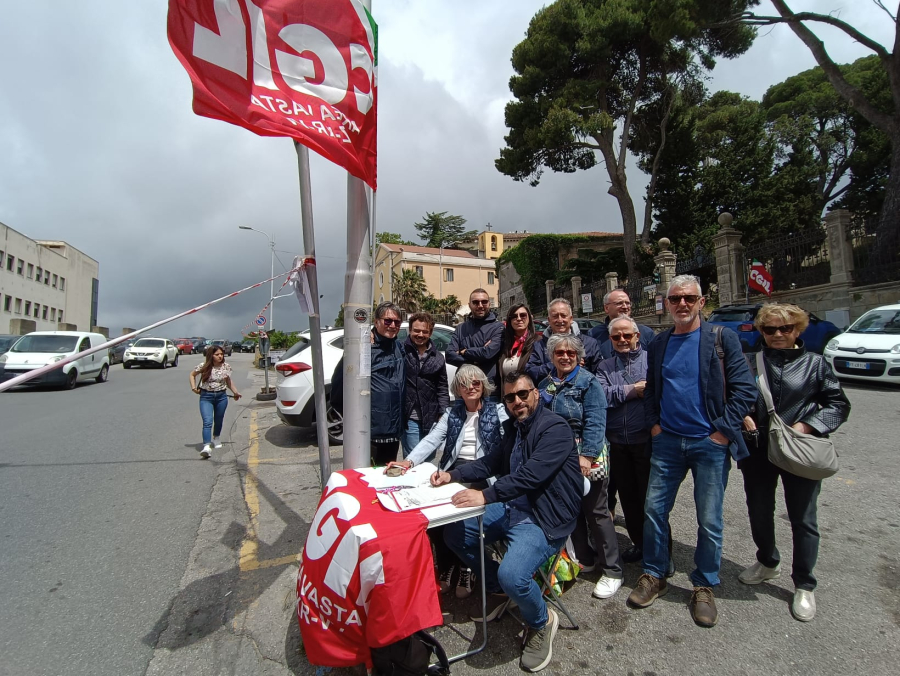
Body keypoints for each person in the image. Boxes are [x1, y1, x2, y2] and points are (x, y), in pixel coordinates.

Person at [628, 274, 756, 628]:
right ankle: (655, 574)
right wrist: (655, 425)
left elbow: (745, 390)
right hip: (667, 441)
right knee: (654, 510)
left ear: (701, 302)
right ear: (667, 304)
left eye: (689, 298)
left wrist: (722, 432)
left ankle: (703, 584)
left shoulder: (721, 338)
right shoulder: (660, 342)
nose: (681, 304)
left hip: (708, 444)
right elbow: (652, 390)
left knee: (709, 518)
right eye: (675, 298)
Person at [437, 371, 582, 673]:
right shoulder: (515, 428)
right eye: (510, 397)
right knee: (455, 533)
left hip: (543, 517)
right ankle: (499, 589)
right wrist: (454, 474)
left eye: (523, 394)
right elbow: (492, 462)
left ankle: (541, 620)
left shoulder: (555, 428)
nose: (517, 401)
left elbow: (531, 476)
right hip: (512, 506)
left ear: (536, 394)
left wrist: (484, 495)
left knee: (514, 575)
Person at [737, 303, 850, 622]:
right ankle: (767, 561)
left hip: (800, 448)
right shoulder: (750, 361)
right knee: (759, 510)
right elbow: (734, 394)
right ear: (761, 331)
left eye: (785, 328)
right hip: (758, 449)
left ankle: (804, 583)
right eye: (769, 329)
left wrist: (806, 426)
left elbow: (838, 405)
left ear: (797, 329)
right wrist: (743, 415)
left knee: (803, 518)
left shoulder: (815, 364)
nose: (777, 334)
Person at [387, 365, 508, 598]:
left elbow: (509, 441)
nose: (470, 387)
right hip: (454, 471)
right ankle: (447, 565)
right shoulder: (452, 413)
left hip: (484, 472)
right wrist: (408, 462)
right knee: (432, 514)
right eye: (464, 383)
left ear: (483, 385)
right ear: (457, 389)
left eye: (475, 382)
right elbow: (432, 439)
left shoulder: (498, 411)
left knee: (460, 514)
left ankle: (466, 567)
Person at [538, 333, 623, 599]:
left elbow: (596, 421)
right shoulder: (546, 384)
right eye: (559, 353)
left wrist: (587, 455)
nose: (565, 357)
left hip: (585, 454)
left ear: (578, 356)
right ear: (552, 356)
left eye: (570, 353)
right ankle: (585, 558)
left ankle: (612, 571)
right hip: (558, 457)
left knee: (596, 511)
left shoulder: (588, 382)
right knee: (570, 511)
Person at [596, 316, 670, 568]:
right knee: (628, 499)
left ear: (637, 336)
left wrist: (634, 393)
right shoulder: (605, 366)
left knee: (653, 502)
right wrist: (632, 391)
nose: (622, 340)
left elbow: (659, 393)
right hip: (617, 443)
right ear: (610, 339)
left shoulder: (652, 361)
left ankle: (662, 553)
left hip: (646, 441)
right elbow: (601, 396)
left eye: (627, 335)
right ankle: (639, 543)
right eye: (616, 336)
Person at [330, 302, 406, 465]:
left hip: (393, 433)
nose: (393, 325)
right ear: (376, 322)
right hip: (369, 436)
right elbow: (338, 389)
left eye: (397, 322)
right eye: (387, 321)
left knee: (386, 476)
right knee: (367, 477)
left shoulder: (398, 347)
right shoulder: (363, 349)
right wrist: (355, 420)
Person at [401, 312, 450, 459]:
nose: (420, 334)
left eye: (425, 331)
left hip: (431, 416)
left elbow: (442, 387)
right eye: (416, 330)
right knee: (413, 458)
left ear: (431, 332)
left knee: (428, 457)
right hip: (409, 416)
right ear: (410, 330)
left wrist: (443, 412)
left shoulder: (438, 357)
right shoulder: (400, 351)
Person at [526, 298, 602, 384]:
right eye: (555, 316)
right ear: (549, 320)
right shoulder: (539, 346)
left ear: (571, 319)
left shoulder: (589, 343)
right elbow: (531, 372)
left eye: (563, 315)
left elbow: (598, 374)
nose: (560, 320)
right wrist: (556, 365)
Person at [446, 288, 505, 391]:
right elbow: (449, 355)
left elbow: (487, 353)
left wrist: (464, 352)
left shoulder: (498, 328)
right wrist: (475, 360)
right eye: (476, 302)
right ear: (470, 305)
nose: (480, 305)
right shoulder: (461, 328)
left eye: (484, 302)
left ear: (489, 304)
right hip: (464, 388)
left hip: (489, 389)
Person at [189, 345, 241, 459]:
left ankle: (216, 437)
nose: (220, 356)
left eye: (221, 354)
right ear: (211, 355)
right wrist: (193, 388)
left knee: (219, 419)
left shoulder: (226, 366)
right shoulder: (204, 366)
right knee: (207, 421)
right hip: (206, 397)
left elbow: (228, 381)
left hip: (221, 397)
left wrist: (235, 392)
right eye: (217, 354)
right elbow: (192, 375)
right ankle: (206, 446)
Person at [589, 289, 656, 359]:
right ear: (606, 308)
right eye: (619, 303)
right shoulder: (594, 334)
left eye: (627, 303)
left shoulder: (646, 333)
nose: (625, 307)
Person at [498, 303, 539, 379]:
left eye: (523, 315)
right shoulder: (504, 343)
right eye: (514, 316)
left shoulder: (539, 342)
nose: (519, 319)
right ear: (510, 321)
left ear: (529, 318)